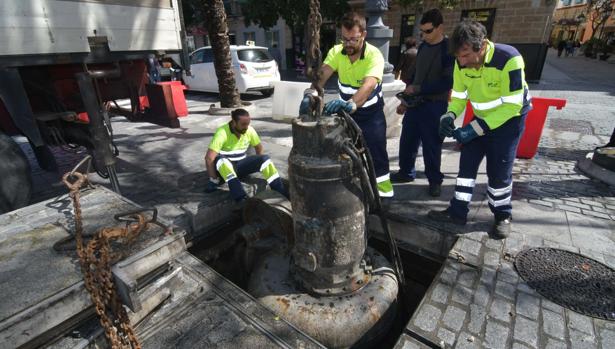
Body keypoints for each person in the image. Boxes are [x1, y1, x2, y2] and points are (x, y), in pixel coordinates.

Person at [428, 20, 531, 240]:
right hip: (482, 118)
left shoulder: (509, 59)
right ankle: (457, 212)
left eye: (465, 55)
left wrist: (475, 128)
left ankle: (503, 215)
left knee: (499, 170)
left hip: (510, 121)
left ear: (482, 46)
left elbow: (512, 105)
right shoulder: (461, 63)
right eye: (458, 56)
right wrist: (449, 115)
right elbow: (458, 96)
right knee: (467, 164)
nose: (461, 62)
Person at [300, 12, 394, 199]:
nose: (348, 44)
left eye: (353, 39)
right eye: (345, 39)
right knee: (348, 153)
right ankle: (359, 190)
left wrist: (351, 104)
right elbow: (322, 75)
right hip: (347, 115)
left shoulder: (374, 56)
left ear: (364, 35)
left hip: (370, 115)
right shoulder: (337, 52)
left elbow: (368, 86)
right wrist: (311, 93)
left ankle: (385, 195)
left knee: (376, 153)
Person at [392, 8, 454, 197]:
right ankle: (406, 172)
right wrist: (405, 100)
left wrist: (418, 89)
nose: (424, 35)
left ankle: (435, 180)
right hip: (415, 103)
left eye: (428, 31)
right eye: (422, 31)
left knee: (431, 145)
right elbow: (414, 75)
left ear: (440, 28)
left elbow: (447, 82)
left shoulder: (448, 49)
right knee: (408, 140)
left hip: (435, 105)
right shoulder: (423, 47)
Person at [204, 108, 288, 202]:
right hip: (224, 169)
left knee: (265, 159)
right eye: (243, 124)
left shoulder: (249, 130)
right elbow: (209, 158)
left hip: (240, 166)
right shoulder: (222, 132)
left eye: (247, 124)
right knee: (221, 160)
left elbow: (259, 148)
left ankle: (280, 192)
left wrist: (258, 162)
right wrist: (213, 180)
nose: (246, 127)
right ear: (234, 122)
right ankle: (240, 197)